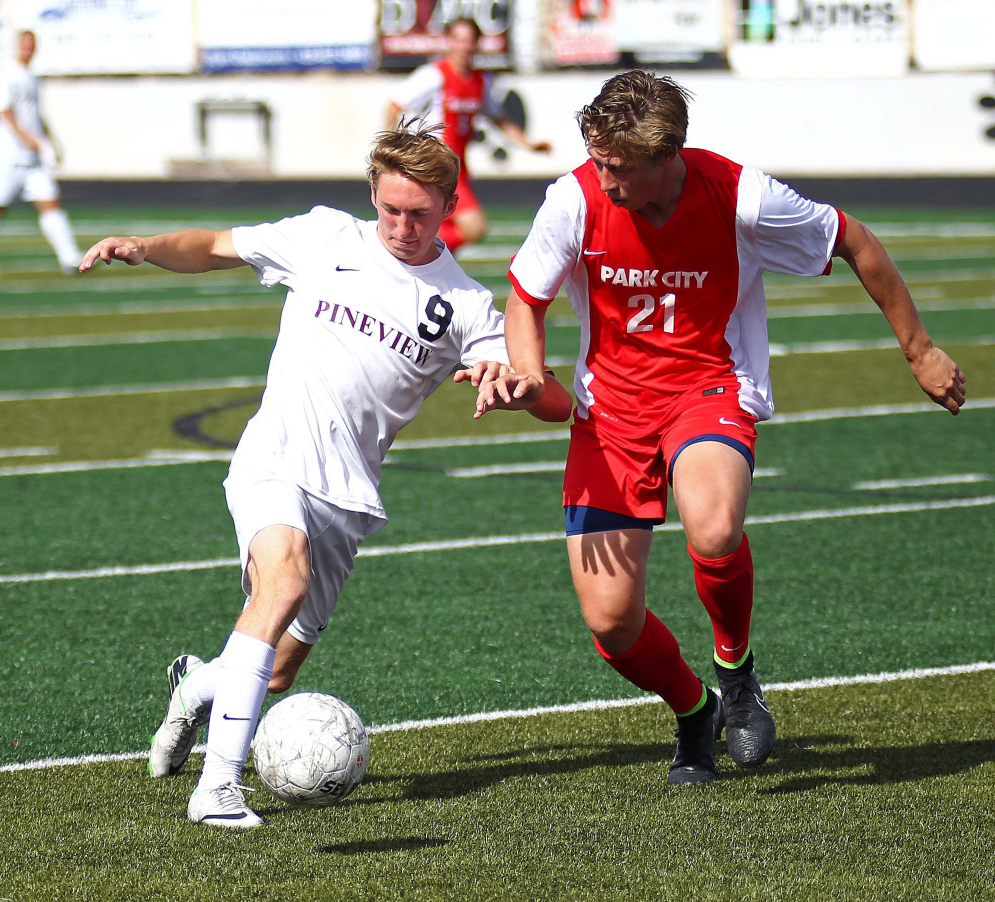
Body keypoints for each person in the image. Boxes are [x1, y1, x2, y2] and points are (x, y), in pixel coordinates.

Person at [79, 121, 572, 828]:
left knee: (276, 668)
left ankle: (196, 684)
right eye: (391, 208)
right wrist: (145, 248)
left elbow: (548, 395)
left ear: (451, 205)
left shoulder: (464, 305)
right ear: (372, 194)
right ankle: (218, 789)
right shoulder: (325, 236)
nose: (403, 225)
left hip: (349, 493)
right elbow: (218, 245)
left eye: (421, 213)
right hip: (274, 454)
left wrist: (522, 387)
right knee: (285, 579)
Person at [478, 71, 966, 785]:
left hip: (709, 389)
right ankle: (694, 709)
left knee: (712, 528)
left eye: (620, 167)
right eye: (598, 159)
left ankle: (735, 672)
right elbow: (526, 298)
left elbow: (854, 241)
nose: (604, 177)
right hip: (608, 414)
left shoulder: (742, 196)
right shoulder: (573, 200)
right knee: (612, 627)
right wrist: (526, 370)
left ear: (667, 154)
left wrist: (920, 351)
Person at [386, 17, 551, 255]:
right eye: (459, 40)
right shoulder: (434, 76)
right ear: (448, 42)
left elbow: (499, 117)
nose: (464, 47)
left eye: (470, 41)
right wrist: (394, 148)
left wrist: (528, 144)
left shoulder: (481, 81)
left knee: (445, 234)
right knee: (475, 226)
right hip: (437, 167)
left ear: (478, 44)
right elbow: (393, 106)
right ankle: (411, 249)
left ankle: (425, 261)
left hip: (459, 168)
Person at [0, 29, 79, 280]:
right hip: (7, 155)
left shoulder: (32, 76)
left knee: (51, 201)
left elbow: (37, 115)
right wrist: (25, 137)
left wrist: (50, 142)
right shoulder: (6, 74)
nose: (27, 49)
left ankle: (70, 258)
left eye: (31, 45)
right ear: (15, 46)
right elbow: (2, 111)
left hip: (32, 157)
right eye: (23, 45)